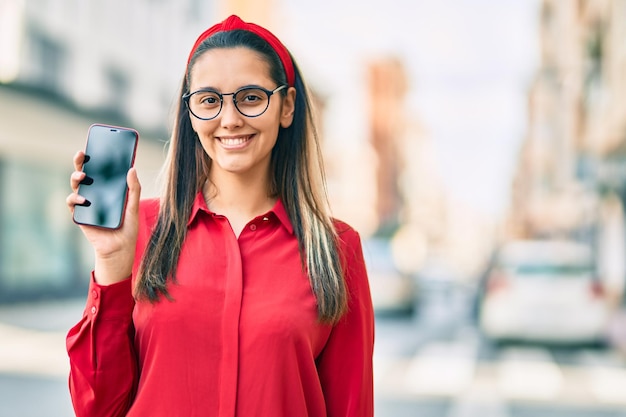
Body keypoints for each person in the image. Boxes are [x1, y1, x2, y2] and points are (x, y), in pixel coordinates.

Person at [65, 14, 374, 417]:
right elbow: (98, 408)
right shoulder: (137, 229)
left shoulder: (337, 249)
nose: (229, 119)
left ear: (287, 106)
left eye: (250, 97)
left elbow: (352, 406)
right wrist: (110, 265)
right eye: (209, 101)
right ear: (190, 113)